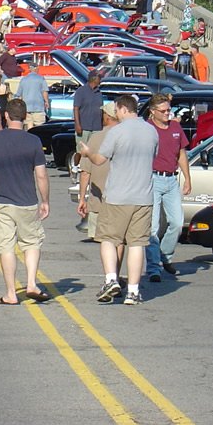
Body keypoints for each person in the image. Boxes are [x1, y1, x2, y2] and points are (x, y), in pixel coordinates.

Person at [78, 95, 158, 306]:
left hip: (117, 196)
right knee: (136, 244)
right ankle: (133, 291)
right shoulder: (151, 131)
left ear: (122, 109)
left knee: (108, 239)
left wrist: (87, 152)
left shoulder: (117, 132)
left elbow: (99, 159)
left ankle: (111, 278)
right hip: (144, 196)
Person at [0, 98, 52, 305]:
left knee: (6, 246)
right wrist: (45, 200)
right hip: (27, 201)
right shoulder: (33, 141)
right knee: (32, 242)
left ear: (6, 116)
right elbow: (41, 175)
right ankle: (31, 283)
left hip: (2, 201)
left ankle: (10, 293)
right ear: (25, 116)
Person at [144, 94, 192, 282]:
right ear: (152, 112)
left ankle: (166, 256)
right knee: (153, 227)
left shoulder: (175, 127)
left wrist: (187, 178)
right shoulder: (148, 129)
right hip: (153, 179)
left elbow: (181, 153)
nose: (167, 114)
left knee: (177, 222)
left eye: (168, 110)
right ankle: (154, 268)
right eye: (163, 111)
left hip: (171, 179)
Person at [77, 101, 120, 240]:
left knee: (103, 243)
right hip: (122, 201)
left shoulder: (96, 138)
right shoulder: (128, 136)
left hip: (98, 202)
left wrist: (82, 198)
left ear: (107, 116)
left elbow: (85, 172)